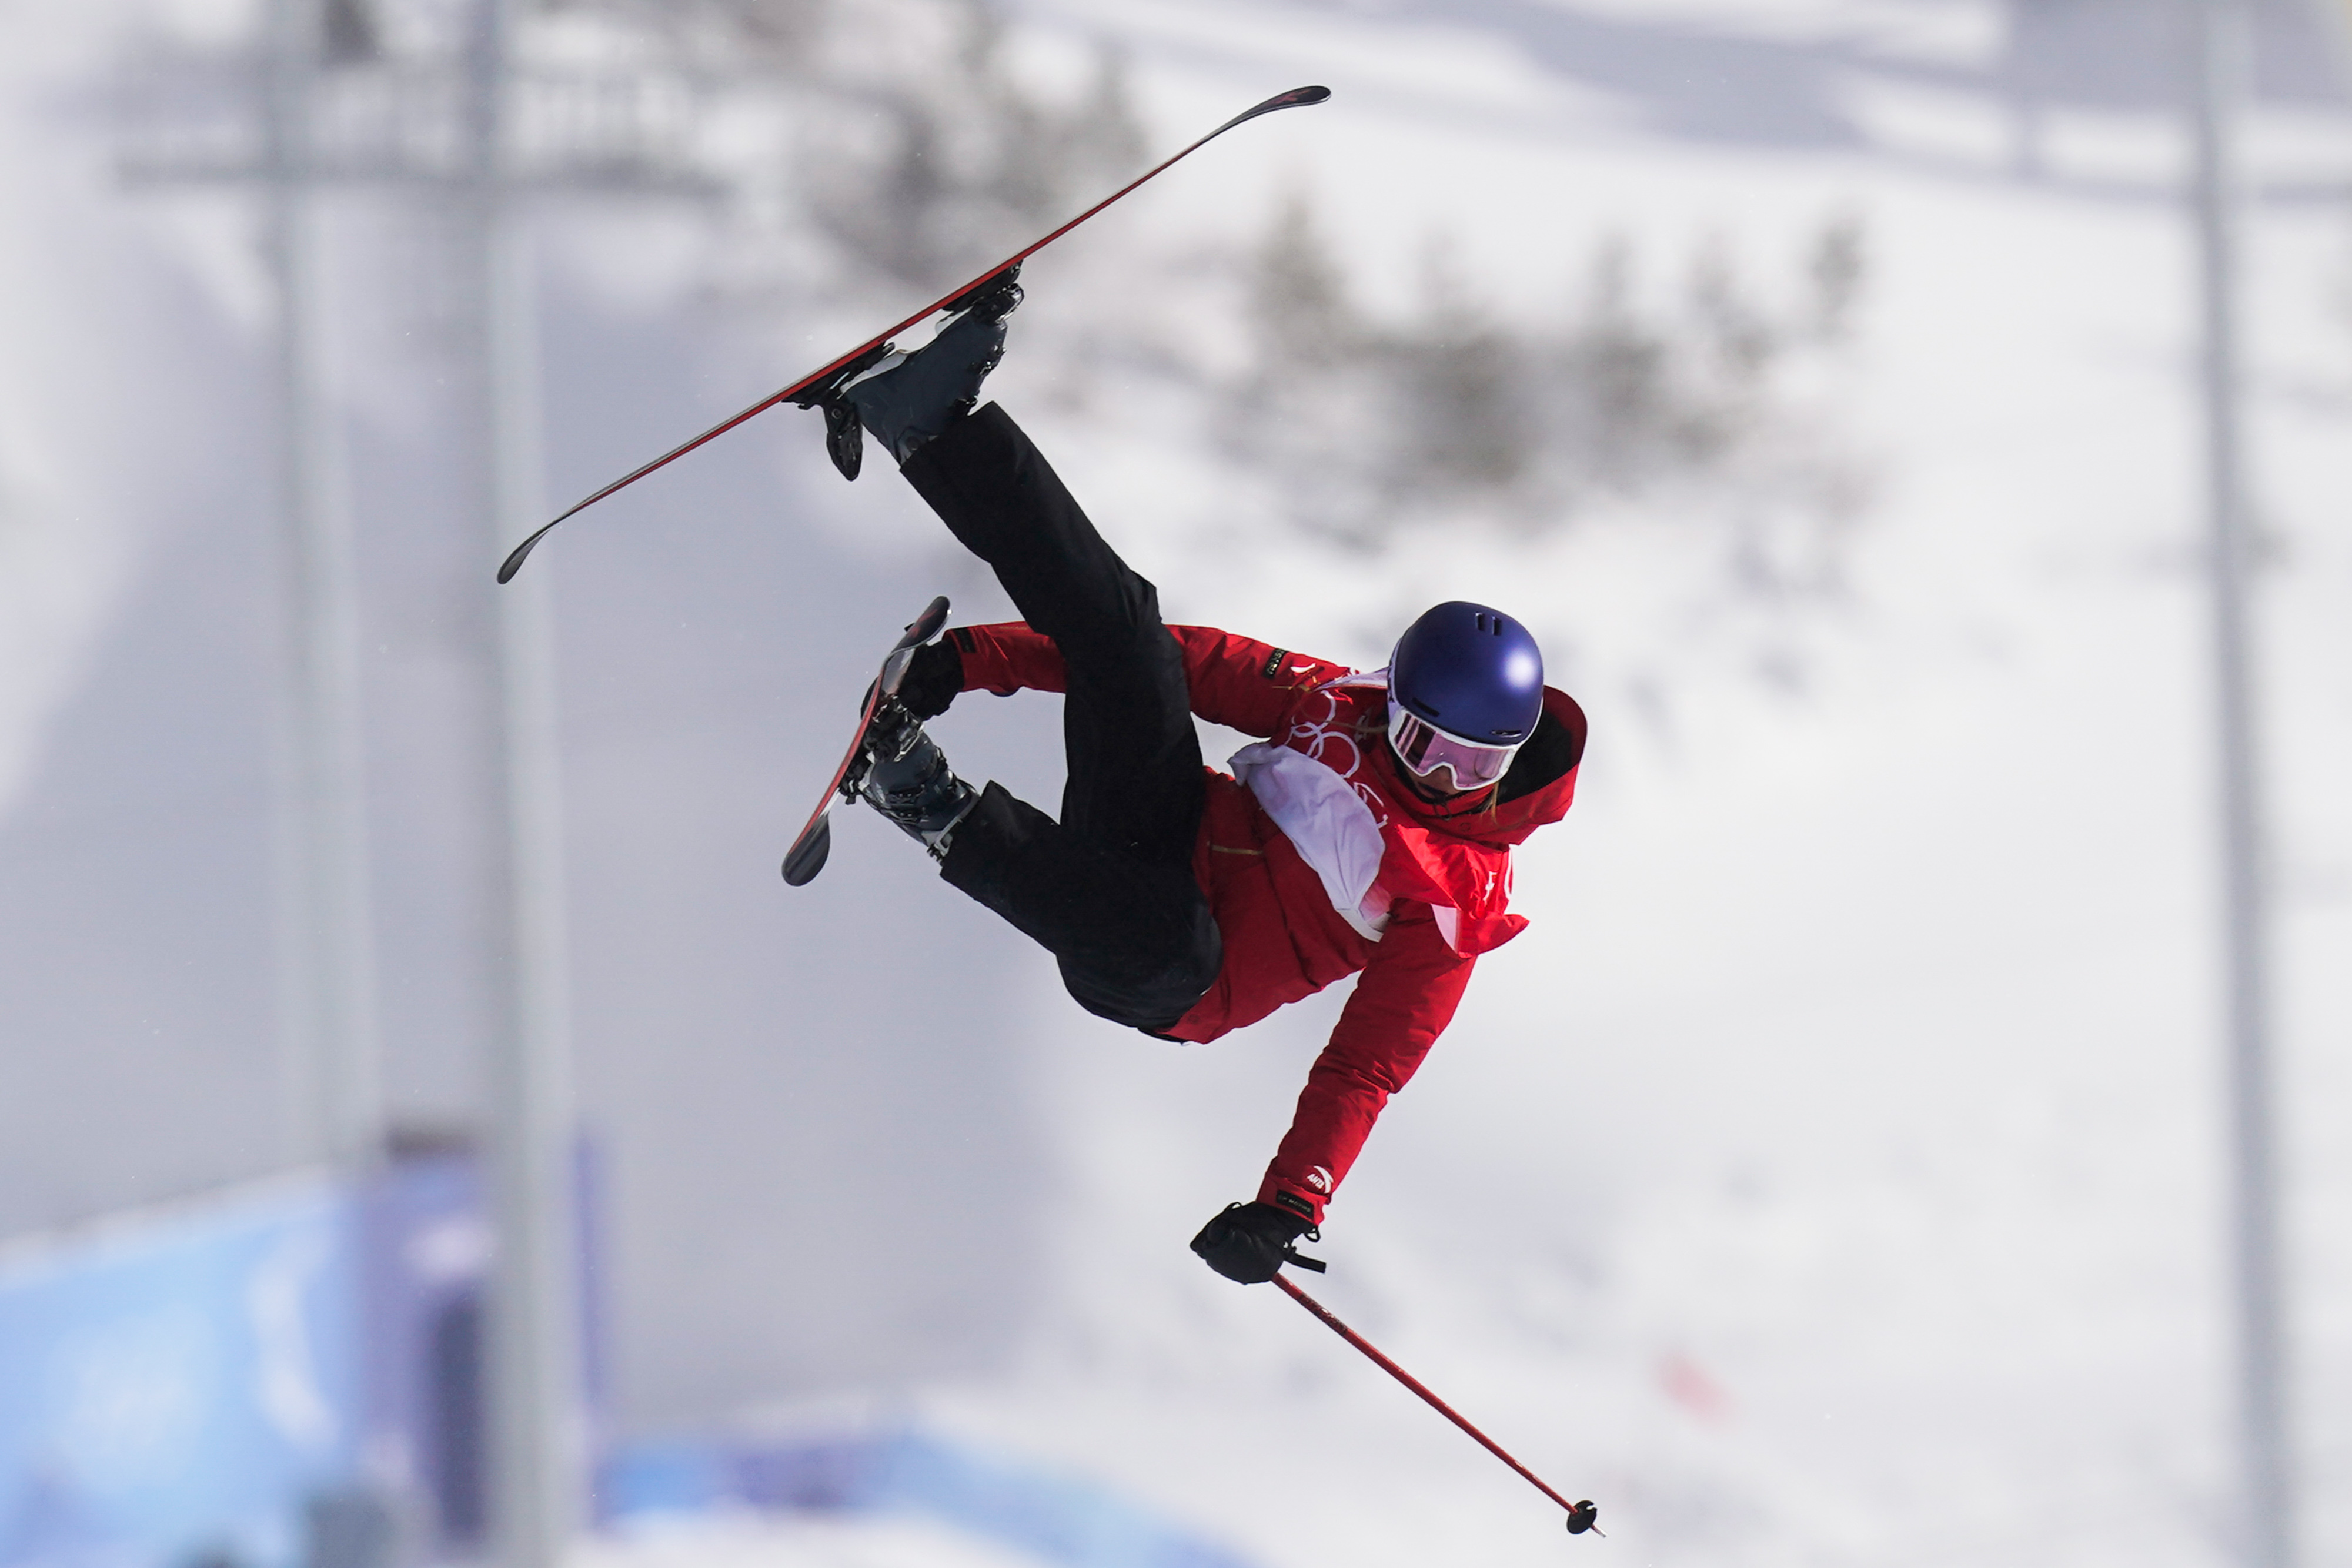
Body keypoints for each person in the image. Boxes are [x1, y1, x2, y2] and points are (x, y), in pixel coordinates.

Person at [814, 268, 1587, 1285]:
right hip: (1159, 823)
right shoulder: (1335, 704)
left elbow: (1365, 1066)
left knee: (1167, 939)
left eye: (1470, 764)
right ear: (1392, 697)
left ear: (1511, 753)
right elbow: (1178, 662)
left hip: (1174, 973)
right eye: (1419, 738)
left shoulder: (1454, 900)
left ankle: (924, 800)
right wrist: (971, 660)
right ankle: (932, 426)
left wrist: (1288, 1205)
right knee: (1133, 634)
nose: (1437, 777)